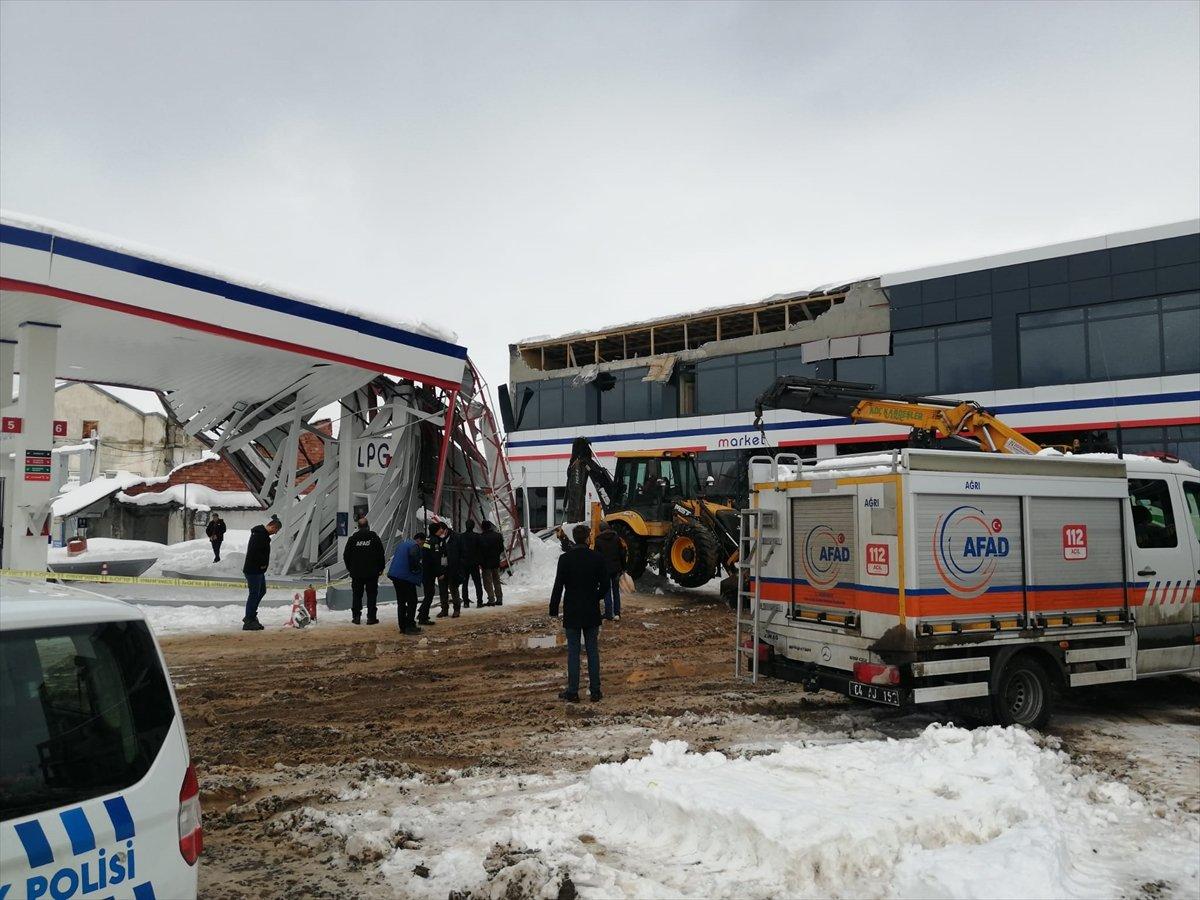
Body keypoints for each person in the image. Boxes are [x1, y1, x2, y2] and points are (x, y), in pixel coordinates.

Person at [549, 523, 608, 702]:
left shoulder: (565, 559)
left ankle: (573, 691)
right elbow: (605, 585)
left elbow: (558, 585)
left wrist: (553, 609)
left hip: (572, 610)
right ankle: (595, 691)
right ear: (588, 537)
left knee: (573, 651)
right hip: (591, 610)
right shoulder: (597, 558)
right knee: (592, 650)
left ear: (574, 538)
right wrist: (595, 596)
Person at [343, 517, 386, 624]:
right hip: (372, 573)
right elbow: (381, 554)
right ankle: (371, 617)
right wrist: (381, 568)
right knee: (371, 595)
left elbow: (346, 555)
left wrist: (350, 568)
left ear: (358, 527)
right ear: (367, 525)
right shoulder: (373, 537)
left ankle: (356, 617)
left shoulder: (353, 539)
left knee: (357, 595)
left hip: (357, 573)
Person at [242, 514, 281, 631]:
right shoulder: (259, 535)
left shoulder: (261, 535)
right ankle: (249, 619)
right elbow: (255, 552)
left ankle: (251, 614)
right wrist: (262, 563)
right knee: (254, 594)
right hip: (254, 570)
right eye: (276, 530)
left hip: (258, 569)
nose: (275, 533)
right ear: (271, 526)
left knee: (261, 591)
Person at [388, 531, 424, 635]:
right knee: (412, 601)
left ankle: (402, 626)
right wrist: (415, 568)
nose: (421, 546)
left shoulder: (404, 543)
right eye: (422, 544)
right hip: (406, 577)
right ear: (420, 541)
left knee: (401, 602)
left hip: (395, 576)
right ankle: (410, 626)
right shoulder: (415, 546)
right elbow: (413, 555)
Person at [593, 521, 626, 621]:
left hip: (605, 570)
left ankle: (608, 614)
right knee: (616, 591)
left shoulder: (598, 540)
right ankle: (617, 613)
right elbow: (622, 553)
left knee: (607, 592)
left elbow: (596, 557)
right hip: (616, 569)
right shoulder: (616, 538)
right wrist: (623, 568)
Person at [436, 522, 463, 618]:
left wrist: (459, 569)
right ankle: (444, 609)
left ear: (444, 529)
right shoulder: (439, 540)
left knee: (454, 590)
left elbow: (461, 554)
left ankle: (456, 609)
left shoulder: (456, 538)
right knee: (443, 591)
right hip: (443, 568)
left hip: (453, 569)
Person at [418, 528, 443, 626]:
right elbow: (435, 558)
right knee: (429, 595)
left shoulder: (427, 540)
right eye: (440, 529)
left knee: (427, 594)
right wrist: (439, 572)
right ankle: (423, 617)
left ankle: (422, 614)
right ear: (436, 530)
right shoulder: (435, 541)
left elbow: (426, 554)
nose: (441, 530)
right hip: (430, 572)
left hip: (426, 571)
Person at [479, 519, 504, 606]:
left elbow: (479, 551)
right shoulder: (498, 536)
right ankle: (499, 598)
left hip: (486, 563)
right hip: (496, 561)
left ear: (482, 528)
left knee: (488, 582)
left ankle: (491, 599)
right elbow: (502, 549)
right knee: (496, 580)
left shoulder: (481, 537)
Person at [458, 520, 484, 608]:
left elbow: (459, 550)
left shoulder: (461, 537)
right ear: (473, 526)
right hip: (474, 563)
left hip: (464, 563)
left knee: (464, 583)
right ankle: (479, 602)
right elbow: (481, 549)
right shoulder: (477, 536)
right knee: (477, 583)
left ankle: (466, 602)